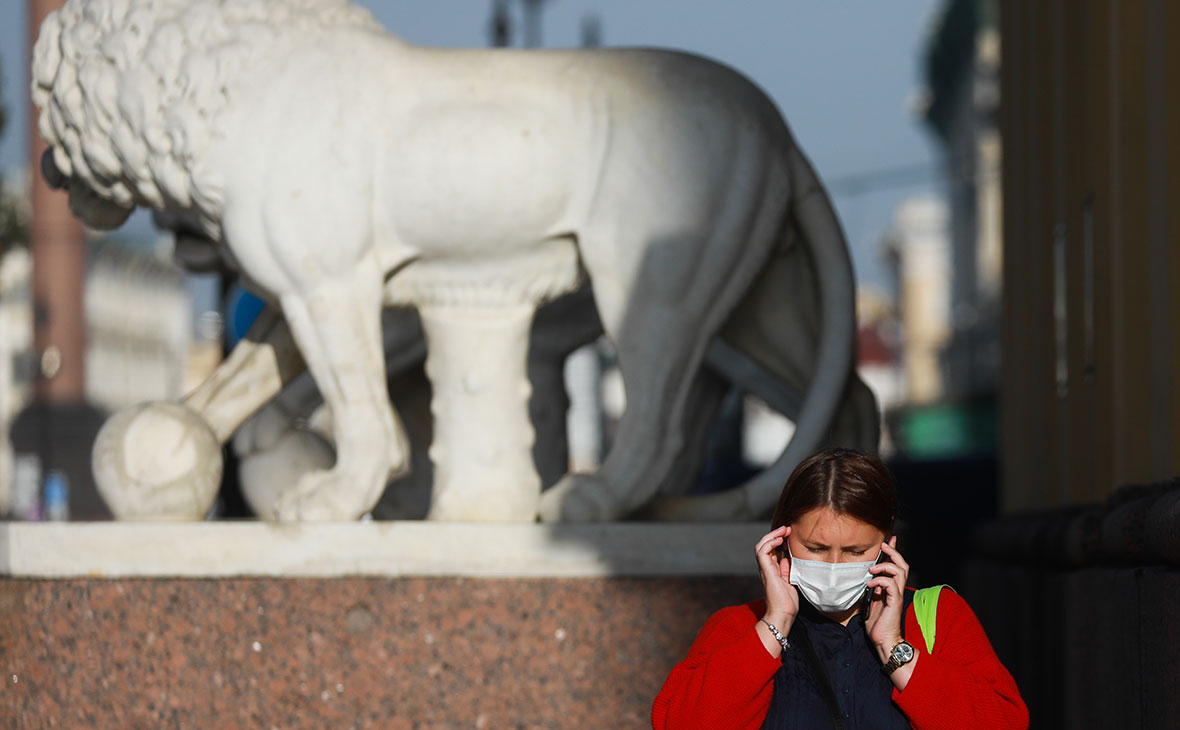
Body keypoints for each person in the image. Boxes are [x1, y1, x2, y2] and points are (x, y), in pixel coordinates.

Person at [652, 448, 1028, 730]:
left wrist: (894, 648)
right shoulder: (738, 628)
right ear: (781, 538)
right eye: (815, 549)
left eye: (855, 551)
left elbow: (1004, 722)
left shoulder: (938, 617)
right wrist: (774, 625)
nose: (833, 567)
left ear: (887, 543)